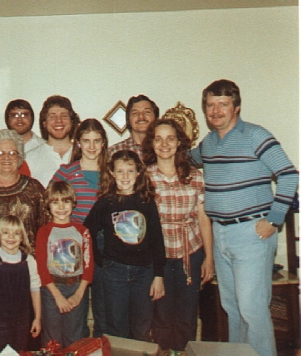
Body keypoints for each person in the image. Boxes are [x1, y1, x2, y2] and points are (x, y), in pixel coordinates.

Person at [189, 79, 299, 356]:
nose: (215, 111)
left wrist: (273, 220)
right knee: (232, 308)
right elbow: (182, 160)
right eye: (210, 105)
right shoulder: (208, 144)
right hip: (220, 234)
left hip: (251, 234)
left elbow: (289, 175)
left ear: (236, 107)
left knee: (252, 309)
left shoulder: (255, 135)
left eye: (222, 104)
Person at [142, 119, 214, 353]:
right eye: (158, 138)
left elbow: (203, 218)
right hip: (158, 257)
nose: (164, 144)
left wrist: (208, 258)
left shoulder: (194, 176)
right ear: (152, 143)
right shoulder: (145, 177)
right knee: (161, 316)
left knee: (186, 316)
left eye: (170, 138)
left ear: (179, 143)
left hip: (190, 253)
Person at [84, 150, 166, 341]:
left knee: (141, 327)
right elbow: (87, 230)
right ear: (112, 173)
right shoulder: (106, 202)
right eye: (120, 171)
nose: (125, 177)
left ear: (138, 172)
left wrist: (159, 275)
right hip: (115, 272)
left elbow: (156, 239)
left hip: (144, 272)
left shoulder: (146, 201)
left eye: (130, 171)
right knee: (116, 326)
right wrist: (100, 260)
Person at [50, 118, 108, 337]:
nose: (92, 146)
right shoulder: (66, 172)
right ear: (78, 143)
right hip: (72, 249)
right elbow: (51, 203)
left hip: (104, 249)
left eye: (97, 141)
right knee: (77, 311)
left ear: (103, 143)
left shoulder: (112, 173)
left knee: (103, 311)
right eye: (86, 141)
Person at [35, 181, 94, 348]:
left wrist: (79, 294)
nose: (61, 207)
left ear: (73, 203)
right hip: (52, 290)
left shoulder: (82, 231)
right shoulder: (44, 232)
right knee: (52, 337)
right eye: (55, 202)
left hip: (77, 288)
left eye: (66, 201)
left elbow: (88, 265)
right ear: (48, 205)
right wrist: (58, 297)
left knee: (74, 337)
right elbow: (42, 267)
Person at [0, 129, 48, 254]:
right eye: (0, 153)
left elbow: (47, 230)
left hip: (28, 267)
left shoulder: (35, 189)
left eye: (12, 153)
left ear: (19, 156)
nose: (6, 158)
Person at [0, 215, 42, 355]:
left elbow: (35, 289)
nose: (11, 237)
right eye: (6, 232)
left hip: (23, 320)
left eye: (16, 233)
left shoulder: (29, 261)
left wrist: (37, 318)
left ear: (22, 237)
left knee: (20, 351)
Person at [25, 95, 80, 187]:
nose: (59, 121)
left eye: (64, 116)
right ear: (44, 123)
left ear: (72, 121)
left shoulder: (85, 154)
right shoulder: (29, 158)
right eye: (52, 117)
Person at [108, 95, 159, 159]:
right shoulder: (114, 152)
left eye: (147, 112)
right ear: (128, 119)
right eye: (135, 113)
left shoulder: (165, 149)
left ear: (156, 117)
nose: (141, 117)